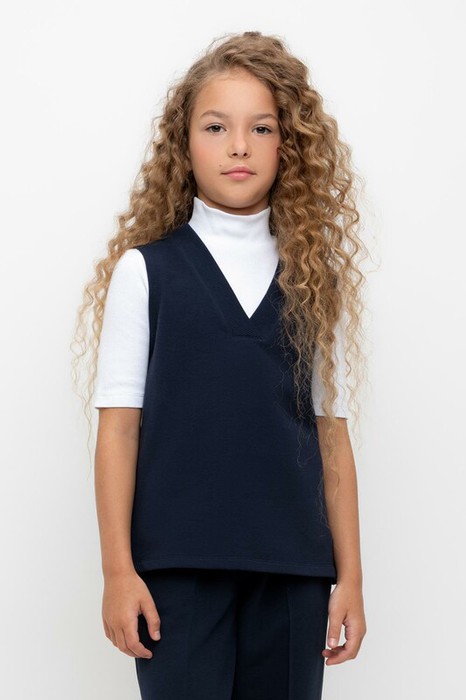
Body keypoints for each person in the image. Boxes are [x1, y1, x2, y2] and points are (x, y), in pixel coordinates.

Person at [72, 30, 368, 700]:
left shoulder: (312, 281)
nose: (239, 146)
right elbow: (119, 430)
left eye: (261, 128)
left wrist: (350, 577)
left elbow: (331, 435)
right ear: (184, 145)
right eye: (216, 127)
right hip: (175, 574)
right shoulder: (145, 273)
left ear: (288, 144)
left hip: (293, 573)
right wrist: (118, 572)